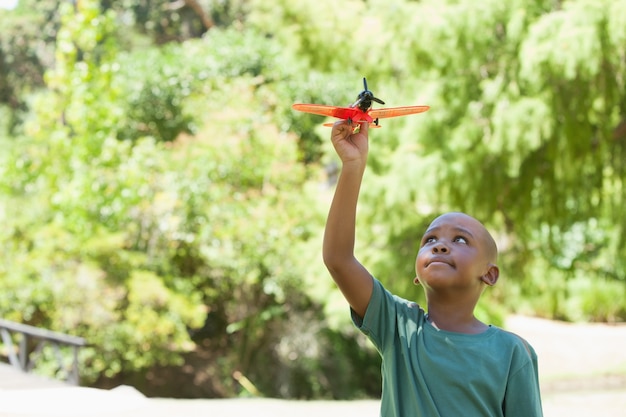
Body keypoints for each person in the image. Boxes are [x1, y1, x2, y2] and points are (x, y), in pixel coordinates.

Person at [322, 120, 543, 417]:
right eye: (430, 240)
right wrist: (353, 164)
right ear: (418, 274)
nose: (440, 246)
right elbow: (338, 259)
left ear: (489, 274)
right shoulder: (398, 327)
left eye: (461, 239)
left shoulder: (514, 353)